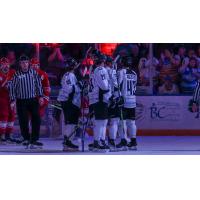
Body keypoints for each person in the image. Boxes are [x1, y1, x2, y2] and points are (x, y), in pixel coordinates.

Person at [9, 55, 44, 148]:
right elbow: (12, 88)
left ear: (28, 63)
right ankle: (26, 138)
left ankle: (34, 139)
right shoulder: (16, 74)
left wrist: (40, 96)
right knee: (23, 120)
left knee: (36, 119)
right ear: (20, 64)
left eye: (26, 62)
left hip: (32, 99)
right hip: (21, 100)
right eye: (22, 63)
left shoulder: (33, 73)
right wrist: (12, 100)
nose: (24, 64)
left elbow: (38, 85)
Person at [88, 54, 111, 152]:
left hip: (94, 99)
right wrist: (110, 89)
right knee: (100, 122)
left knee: (102, 122)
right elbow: (105, 86)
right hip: (100, 99)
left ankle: (100, 141)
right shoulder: (101, 70)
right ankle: (97, 142)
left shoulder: (92, 70)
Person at [57, 58, 81, 151]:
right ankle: (67, 142)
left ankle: (68, 141)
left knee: (72, 123)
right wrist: (79, 85)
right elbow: (69, 89)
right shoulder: (69, 75)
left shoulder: (70, 75)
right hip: (69, 101)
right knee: (70, 123)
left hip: (70, 102)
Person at [116, 56, 138, 151]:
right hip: (132, 99)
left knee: (122, 122)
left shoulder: (121, 72)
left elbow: (117, 85)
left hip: (124, 99)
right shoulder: (134, 73)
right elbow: (135, 87)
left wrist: (117, 97)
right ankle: (133, 141)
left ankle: (124, 140)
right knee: (132, 122)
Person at [0, 58, 16, 144]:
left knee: (12, 116)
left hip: (12, 98)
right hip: (2, 98)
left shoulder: (13, 72)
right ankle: (2, 135)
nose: (5, 66)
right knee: (4, 115)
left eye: (7, 64)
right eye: (3, 64)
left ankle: (8, 135)